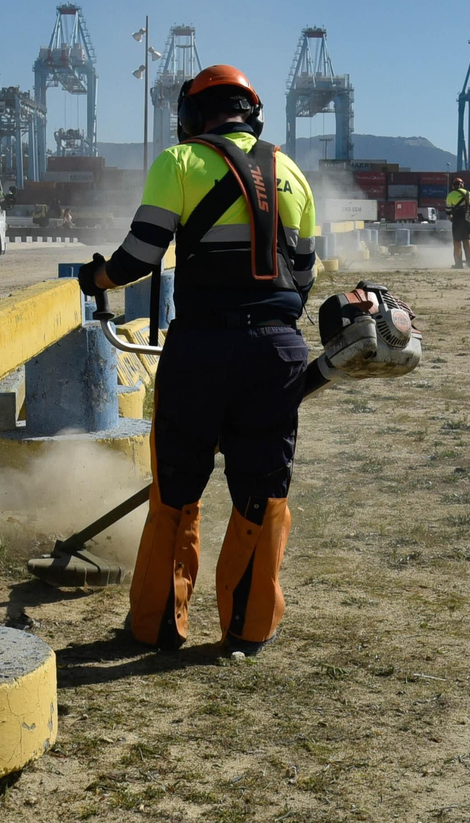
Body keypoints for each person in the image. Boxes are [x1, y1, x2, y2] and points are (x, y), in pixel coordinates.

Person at [77, 64, 316, 656]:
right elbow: (305, 274)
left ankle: (159, 625)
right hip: (278, 350)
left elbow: (140, 255)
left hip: (202, 347)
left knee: (178, 487)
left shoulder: (179, 163)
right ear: (251, 113)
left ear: (192, 116)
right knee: (263, 488)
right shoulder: (291, 173)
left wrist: (97, 277)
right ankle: (249, 627)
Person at [446, 177, 470, 268]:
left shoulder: (450, 195)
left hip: (456, 220)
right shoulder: (469, 194)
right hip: (467, 221)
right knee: (467, 241)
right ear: (462, 185)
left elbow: (448, 210)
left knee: (457, 242)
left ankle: (458, 263)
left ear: (453, 186)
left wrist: (450, 217)